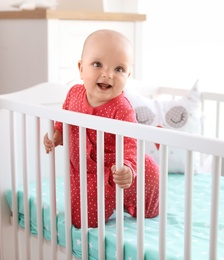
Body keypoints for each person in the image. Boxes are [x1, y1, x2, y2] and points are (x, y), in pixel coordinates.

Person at [43, 29, 159, 228]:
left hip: (118, 171)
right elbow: (63, 120)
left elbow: (131, 143)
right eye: (97, 64)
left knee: (149, 203)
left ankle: (128, 198)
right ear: (81, 68)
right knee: (82, 221)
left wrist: (129, 168)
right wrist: (57, 135)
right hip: (86, 175)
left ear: (128, 75)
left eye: (119, 69)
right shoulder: (74, 94)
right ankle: (113, 200)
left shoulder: (122, 108)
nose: (107, 74)